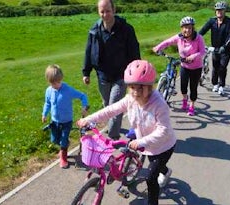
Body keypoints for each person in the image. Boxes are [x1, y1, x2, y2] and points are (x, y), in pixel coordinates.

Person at [77, 60, 176, 205]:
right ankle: (164, 170)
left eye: (140, 88)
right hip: (145, 143)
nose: (135, 92)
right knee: (154, 165)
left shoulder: (159, 104)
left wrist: (141, 141)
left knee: (150, 177)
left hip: (163, 146)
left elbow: (164, 130)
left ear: (150, 86)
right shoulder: (130, 99)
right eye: (132, 87)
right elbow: (111, 110)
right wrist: (90, 119)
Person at [81, 0, 140, 140]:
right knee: (107, 105)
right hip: (102, 76)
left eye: (107, 10)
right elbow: (88, 51)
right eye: (102, 11)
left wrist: (136, 73)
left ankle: (113, 138)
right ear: (98, 12)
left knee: (115, 106)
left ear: (114, 10)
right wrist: (86, 72)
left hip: (121, 76)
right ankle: (113, 126)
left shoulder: (126, 29)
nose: (105, 14)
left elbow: (134, 52)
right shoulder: (94, 30)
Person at [153, 16, 206, 116]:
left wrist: (193, 56)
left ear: (193, 28)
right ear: (182, 28)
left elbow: (203, 51)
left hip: (196, 68)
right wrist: (158, 47)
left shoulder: (198, 38)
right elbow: (168, 42)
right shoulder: (179, 37)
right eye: (185, 27)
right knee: (183, 87)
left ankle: (192, 106)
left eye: (190, 27)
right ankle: (184, 100)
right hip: (184, 66)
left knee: (193, 88)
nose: (187, 30)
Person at [42, 64, 89, 169]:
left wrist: (85, 106)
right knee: (55, 140)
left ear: (61, 79)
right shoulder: (49, 91)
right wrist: (44, 114)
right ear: (49, 81)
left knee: (63, 140)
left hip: (67, 121)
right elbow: (47, 103)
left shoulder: (67, 90)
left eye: (58, 82)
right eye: (53, 83)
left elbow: (82, 96)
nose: (56, 85)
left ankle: (63, 157)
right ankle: (64, 145)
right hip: (55, 121)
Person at [199, 1, 230, 96]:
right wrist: (195, 38)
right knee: (215, 67)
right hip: (214, 49)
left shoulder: (229, 21)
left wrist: (224, 46)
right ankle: (215, 84)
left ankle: (222, 86)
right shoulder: (212, 21)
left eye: (221, 10)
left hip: (225, 50)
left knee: (222, 68)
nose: (219, 12)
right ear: (215, 11)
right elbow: (202, 31)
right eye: (217, 10)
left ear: (224, 11)